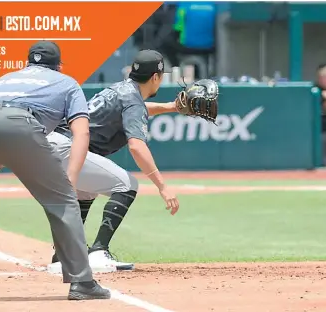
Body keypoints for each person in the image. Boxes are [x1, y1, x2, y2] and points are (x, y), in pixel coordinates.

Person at [0, 41, 110, 300]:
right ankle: (82, 282)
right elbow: (82, 132)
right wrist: (71, 180)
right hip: (20, 124)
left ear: (28, 63)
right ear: (59, 65)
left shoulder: (6, 77)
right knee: (63, 201)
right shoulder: (66, 82)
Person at [46, 49, 219, 273]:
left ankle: (63, 254)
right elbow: (136, 146)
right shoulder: (132, 99)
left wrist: (172, 107)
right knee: (127, 185)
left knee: (86, 192)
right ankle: (99, 252)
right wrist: (162, 187)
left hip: (54, 145)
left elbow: (138, 109)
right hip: (67, 148)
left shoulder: (121, 90)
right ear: (156, 77)